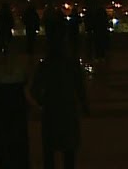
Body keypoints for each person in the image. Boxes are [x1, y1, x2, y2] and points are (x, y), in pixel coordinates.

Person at [31, 39, 88, 169]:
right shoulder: (72, 65)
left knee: (49, 150)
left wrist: (42, 101)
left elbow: (34, 89)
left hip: (51, 109)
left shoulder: (45, 65)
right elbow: (80, 88)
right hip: (68, 108)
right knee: (69, 151)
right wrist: (84, 105)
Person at [0, 46, 30, 168]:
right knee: (18, 143)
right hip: (17, 110)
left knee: (3, 144)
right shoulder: (20, 69)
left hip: (0, 110)